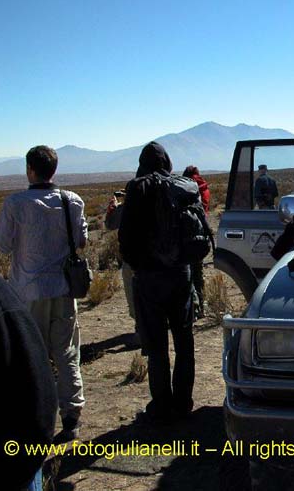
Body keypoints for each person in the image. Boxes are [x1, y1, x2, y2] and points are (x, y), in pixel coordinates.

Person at [0, 145, 86, 442]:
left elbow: (4, 246)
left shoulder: (15, 203)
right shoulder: (71, 200)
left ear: (30, 170)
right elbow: (82, 239)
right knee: (66, 352)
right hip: (62, 289)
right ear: (54, 170)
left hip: (27, 292)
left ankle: (34, 417)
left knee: (31, 356)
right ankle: (71, 415)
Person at [119, 142, 195, 423]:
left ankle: (162, 406)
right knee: (184, 342)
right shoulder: (183, 186)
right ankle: (183, 403)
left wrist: (138, 266)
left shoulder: (137, 187)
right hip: (181, 274)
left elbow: (125, 237)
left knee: (158, 346)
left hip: (150, 277)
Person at [0, 274, 57, 491]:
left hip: (11, 467)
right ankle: (74, 412)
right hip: (56, 286)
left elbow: (38, 388)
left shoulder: (1, 304)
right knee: (67, 352)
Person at [105, 191, 142, 347]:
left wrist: (113, 207)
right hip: (159, 256)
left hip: (134, 257)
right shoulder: (159, 201)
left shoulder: (126, 208)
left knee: (135, 294)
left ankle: (141, 332)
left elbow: (110, 224)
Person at [182, 165, 210, 319]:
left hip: (187, 234)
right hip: (201, 233)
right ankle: (202, 306)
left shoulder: (186, 187)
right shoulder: (203, 186)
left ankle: (193, 308)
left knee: (188, 273)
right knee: (198, 272)